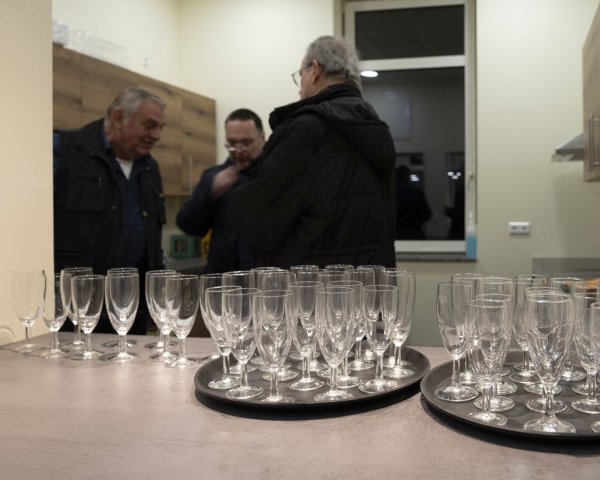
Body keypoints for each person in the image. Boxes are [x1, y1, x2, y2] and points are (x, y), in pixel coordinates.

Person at [228, 36, 396, 268]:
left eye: (301, 77)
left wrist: (233, 190)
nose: (300, 90)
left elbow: (257, 219)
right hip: (370, 283)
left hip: (313, 283)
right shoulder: (376, 130)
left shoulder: (306, 129)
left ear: (315, 70)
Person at [53, 87, 167, 334]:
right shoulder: (64, 150)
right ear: (118, 117)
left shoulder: (151, 168)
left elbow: (152, 240)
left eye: (161, 127)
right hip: (76, 312)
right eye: (149, 125)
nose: (157, 135)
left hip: (132, 313)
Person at [176, 108, 265, 273]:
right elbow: (188, 225)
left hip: (262, 279)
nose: (239, 150)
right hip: (221, 279)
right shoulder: (213, 176)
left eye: (246, 142)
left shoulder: (275, 175)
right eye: (232, 143)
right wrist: (209, 194)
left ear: (262, 139)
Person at [395, 165, 432, 239]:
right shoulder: (415, 192)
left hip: (394, 232)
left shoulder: (387, 193)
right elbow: (426, 214)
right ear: (407, 176)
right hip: (413, 231)